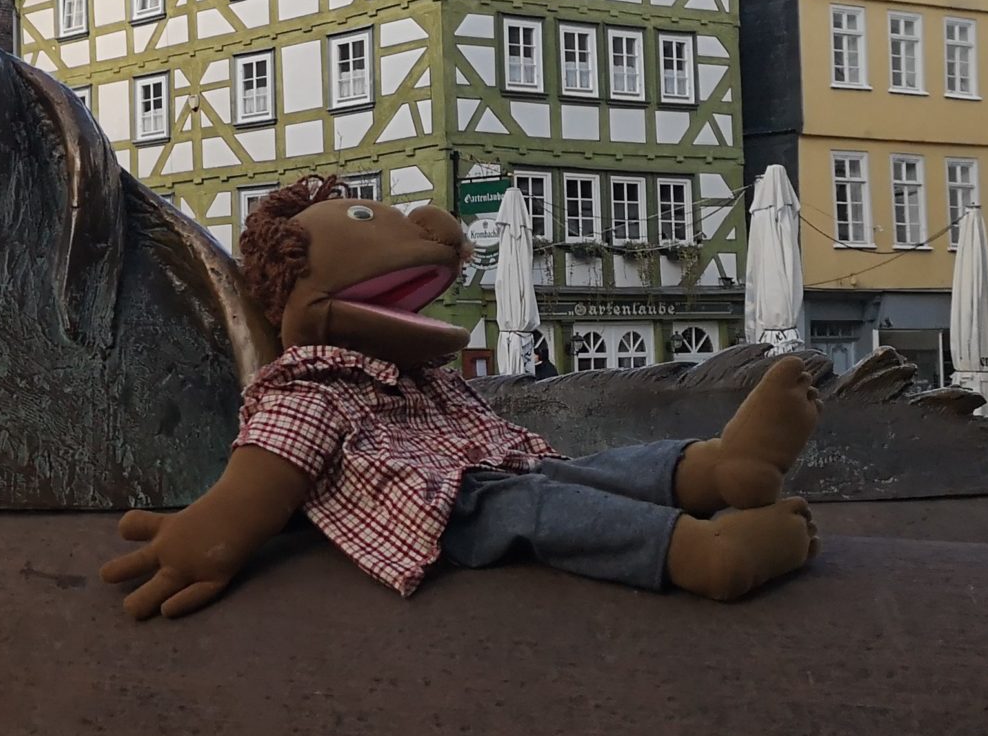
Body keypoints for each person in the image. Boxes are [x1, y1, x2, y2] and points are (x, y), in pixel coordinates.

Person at [104, 174, 821, 619]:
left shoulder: (416, 374)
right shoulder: (308, 383)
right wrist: (203, 537)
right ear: (298, 288)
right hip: (447, 511)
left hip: (496, 472)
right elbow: (260, 480)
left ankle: (720, 467)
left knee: (576, 474)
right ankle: (700, 552)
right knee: (548, 510)